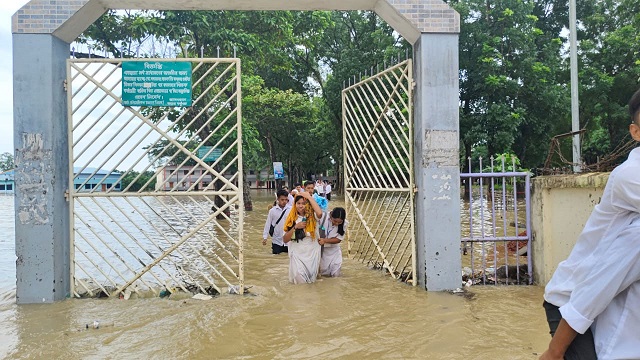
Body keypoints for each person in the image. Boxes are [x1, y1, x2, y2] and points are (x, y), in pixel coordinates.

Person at [539, 88, 640, 360]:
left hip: (601, 301)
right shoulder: (631, 176)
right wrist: (554, 351)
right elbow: (592, 291)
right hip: (572, 297)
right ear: (635, 132)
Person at [283, 188, 323, 284]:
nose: (301, 206)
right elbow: (285, 239)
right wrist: (296, 227)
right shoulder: (291, 218)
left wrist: (309, 197)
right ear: (295, 204)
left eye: (304, 203)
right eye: (298, 203)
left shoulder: (313, 216)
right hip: (297, 252)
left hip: (312, 251)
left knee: (311, 281)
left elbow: (320, 213)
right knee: (299, 278)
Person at [318, 207, 347, 277]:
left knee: (336, 275)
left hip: (334, 252)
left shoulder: (345, 224)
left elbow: (338, 239)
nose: (337, 223)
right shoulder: (323, 217)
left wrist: (325, 241)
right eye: (334, 221)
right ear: (331, 216)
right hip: (321, 251)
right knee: (321, 275)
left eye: (339, 222)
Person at [262, 189, 291, 254]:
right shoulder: (272, 211)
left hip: (289, 241)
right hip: (276, 241)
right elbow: (268, 224)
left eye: (286, 200)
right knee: (276, 258)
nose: (284, 202)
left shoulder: (291, 210)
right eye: (282, 200)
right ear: (278, 199)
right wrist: (265, 237)